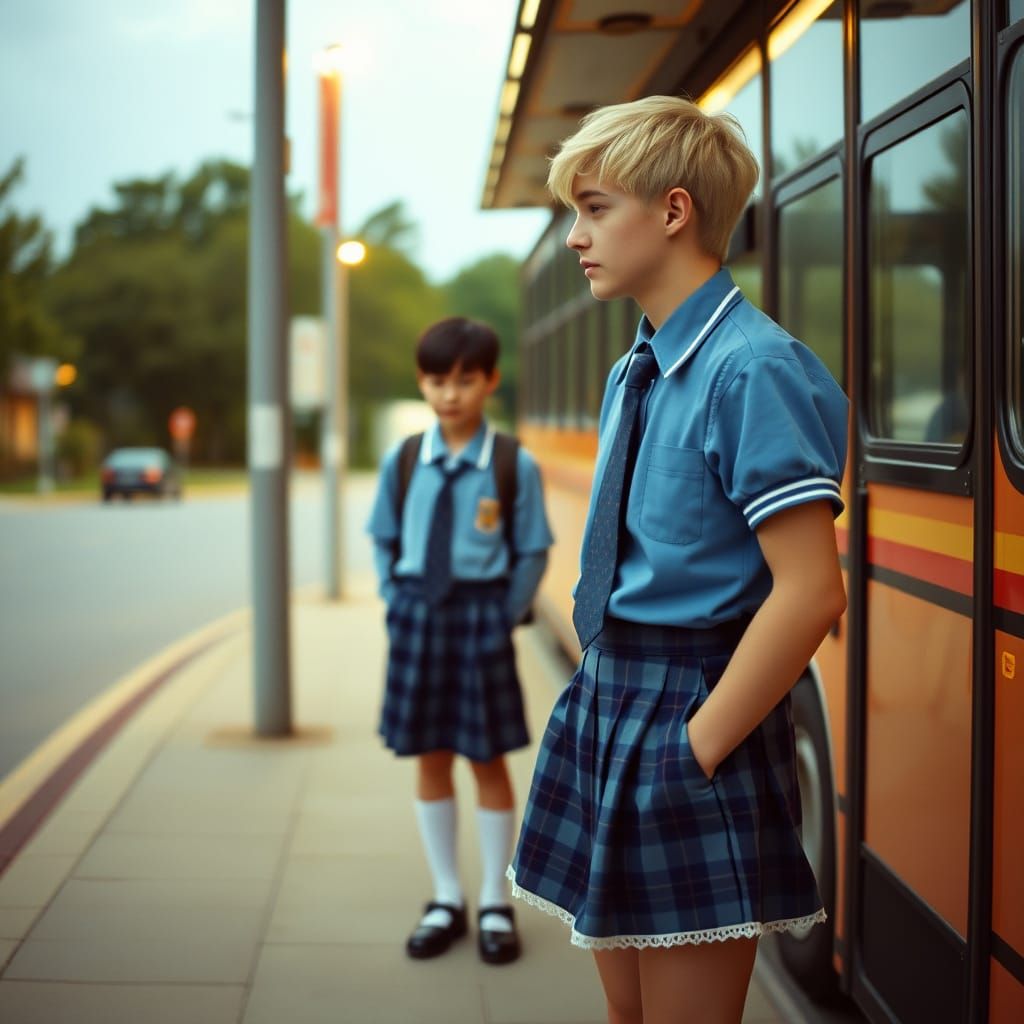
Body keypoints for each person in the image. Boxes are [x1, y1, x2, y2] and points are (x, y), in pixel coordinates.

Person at [507, 96, 849, 1024]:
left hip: (693, 705)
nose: (578, 236)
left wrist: (694, 748)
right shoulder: (640, 365)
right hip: (614, 695)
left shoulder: (751, 367)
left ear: (672, 211)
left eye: (594, 207)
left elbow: (813, 589)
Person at [367, 316, 554, 966]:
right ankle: (446, 895)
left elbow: (532, 550)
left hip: (481, 619)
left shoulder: (511, 464)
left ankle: (493, 900)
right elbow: (384, 537)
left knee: (488, 758)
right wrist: (395, 599)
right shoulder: (405, 458)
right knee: (431, 757)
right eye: (438, 381)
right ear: (422, 382)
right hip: (418, 615)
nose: (451, 394)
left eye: (465, 381)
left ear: (490, 382)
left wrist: (502, 616)